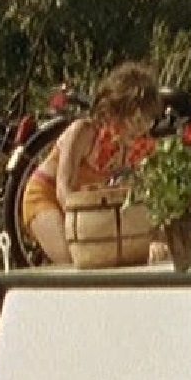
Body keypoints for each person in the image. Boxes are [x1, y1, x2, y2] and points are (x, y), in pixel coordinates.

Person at [21, 60, 164, 264]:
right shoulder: (83, 132)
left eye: (147, 121)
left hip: (88, 206)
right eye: (136, 120)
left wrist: (156, 237)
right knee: (74, 258)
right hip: (46, 195)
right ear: (116, 111)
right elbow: (63, 190)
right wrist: (90, 227)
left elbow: (150, 196)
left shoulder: (135, 146)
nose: (141, 129)